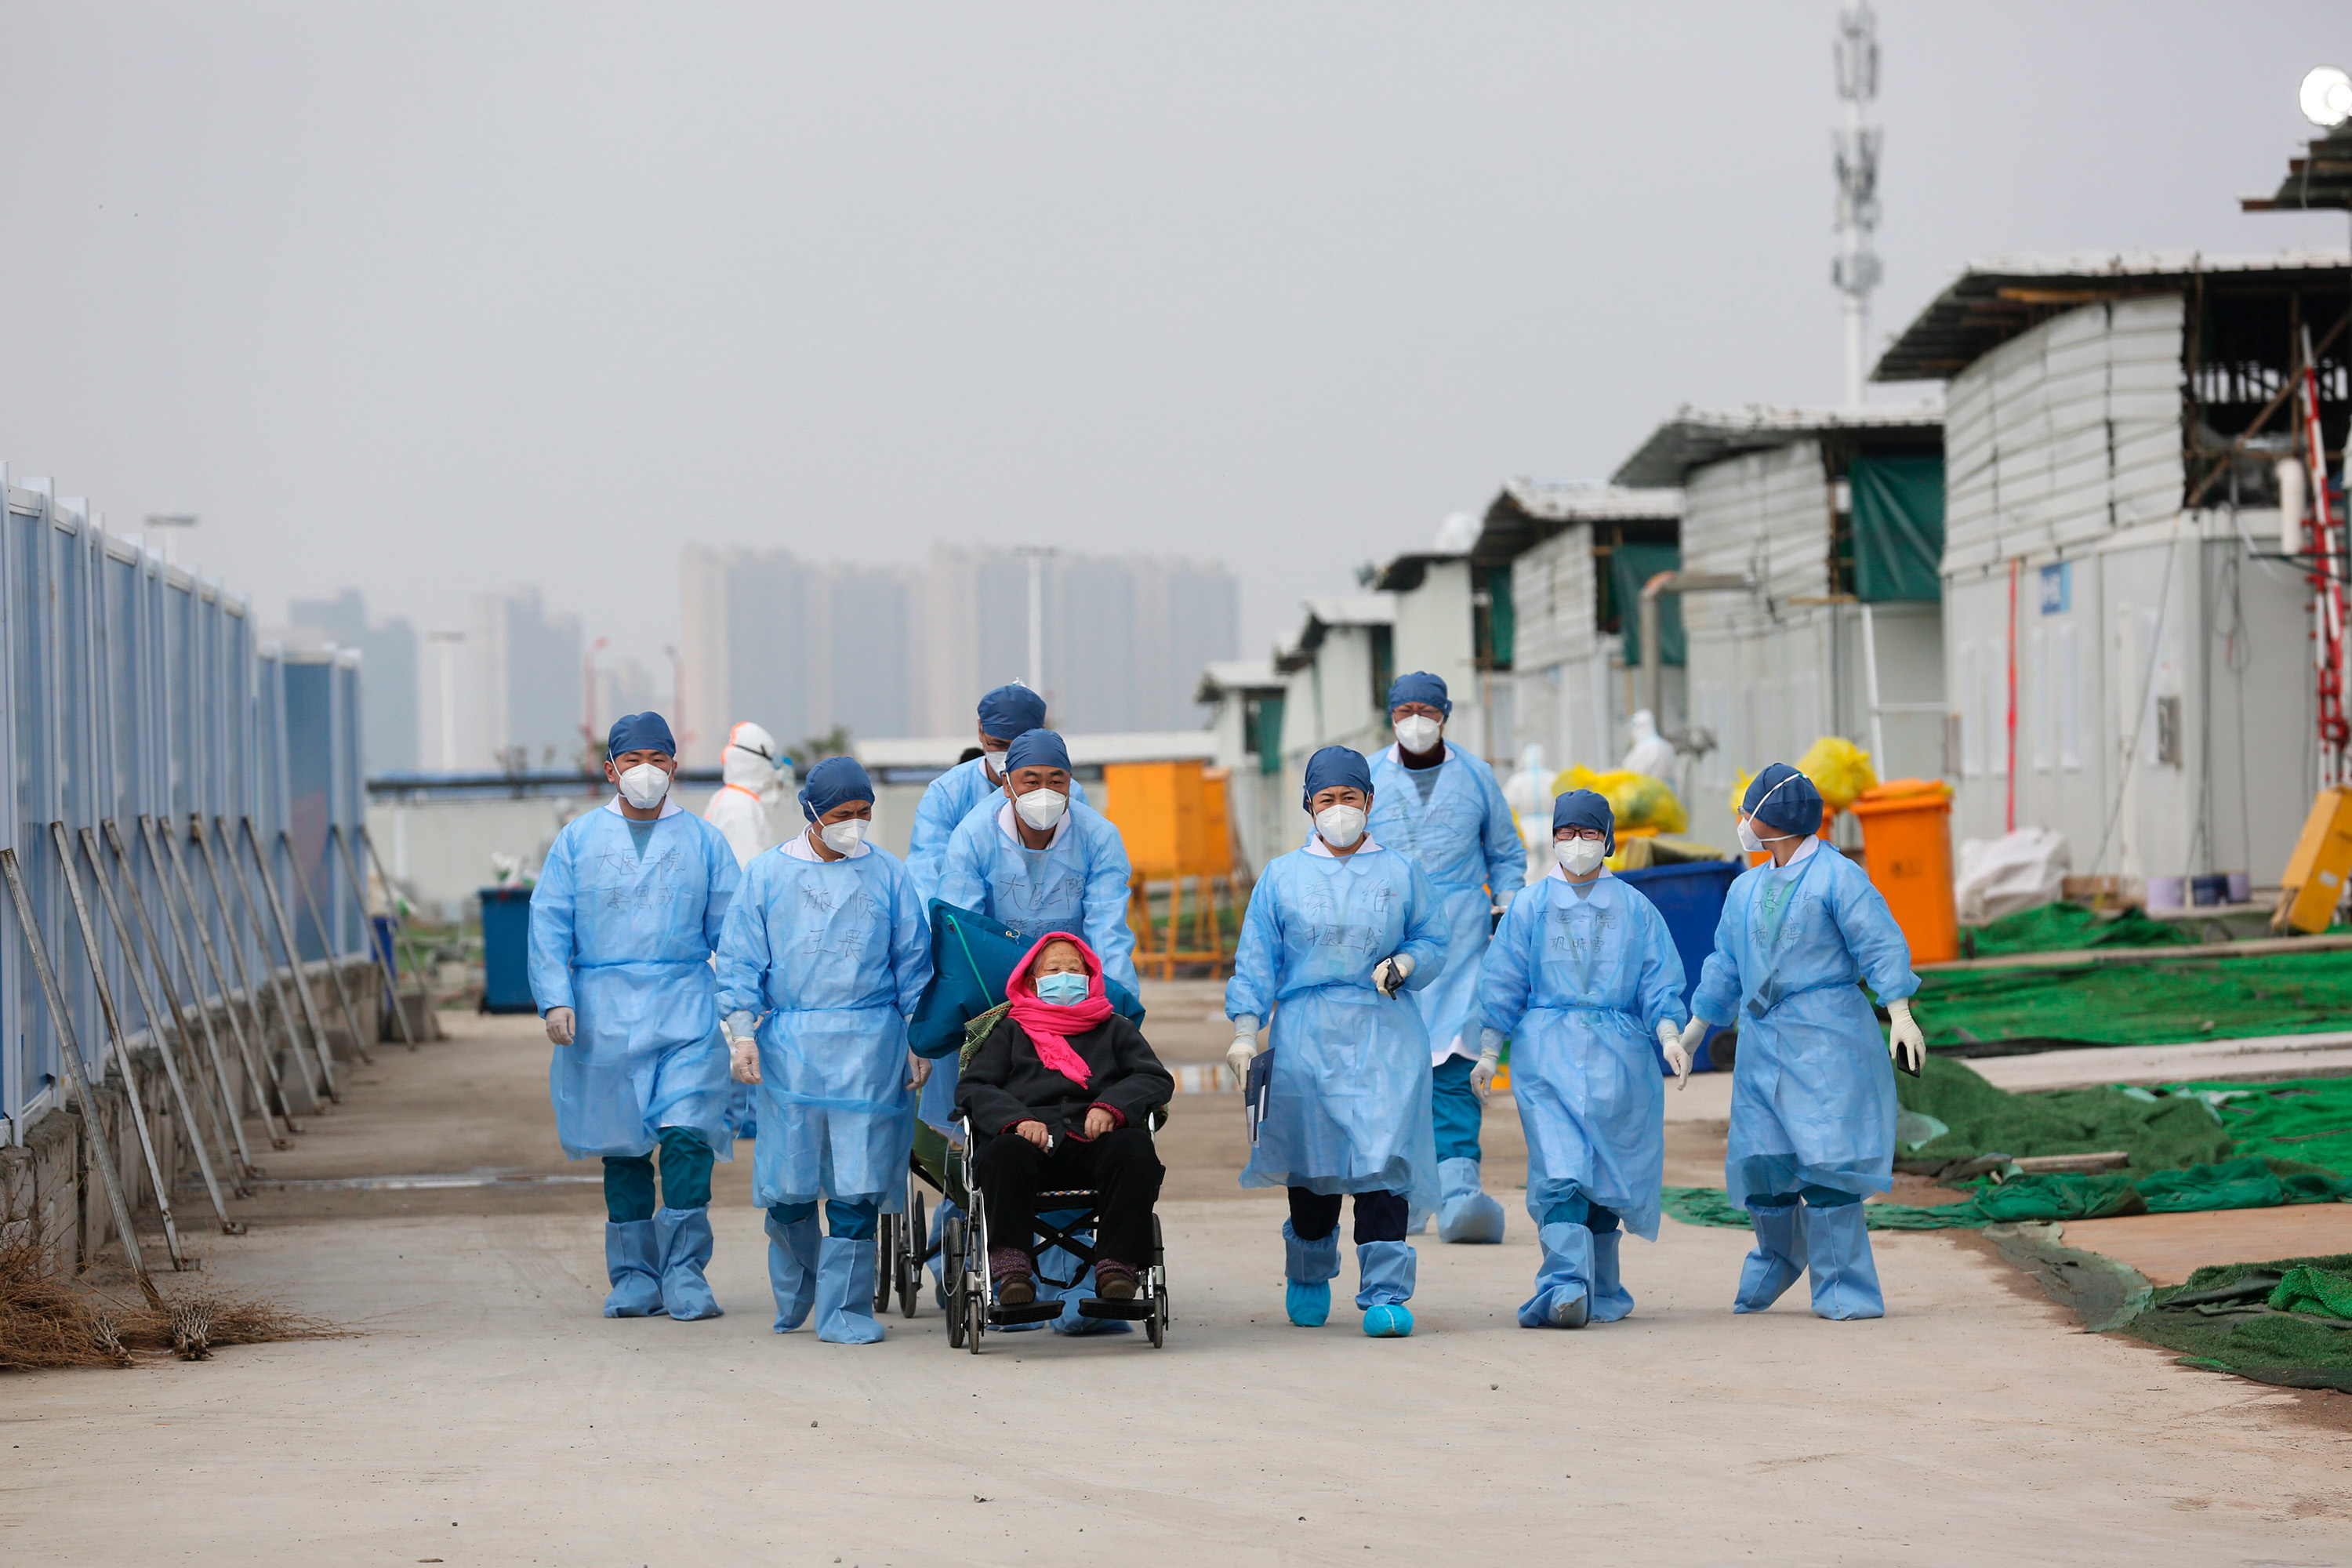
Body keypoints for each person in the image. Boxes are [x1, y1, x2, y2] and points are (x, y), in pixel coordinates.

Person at [1679, 763, 1926, 1321]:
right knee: (1762, 1157)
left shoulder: (1839, 879)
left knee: (1829, 1160)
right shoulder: (1745, 888)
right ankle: (1776, 1257)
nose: (1742, 822)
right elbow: (1725, 964)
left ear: (1774, 818)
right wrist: (1697, 1029)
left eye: (1749, 812)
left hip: (1826, 1035)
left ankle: (1846, 1286)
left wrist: (1901, 1012)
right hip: (1762, 1039)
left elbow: (1879, 944)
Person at [1225, 746, 1446, 1338]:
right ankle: (1309, 1270)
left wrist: (1406, 961)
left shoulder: (1400, 872)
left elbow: (1434, 939)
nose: (1340, 810)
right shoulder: (1281, 877)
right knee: (1313, 1167)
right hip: (1306, 1034)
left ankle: (1385, 1293)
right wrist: (1246, 1031)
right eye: (1328, 800)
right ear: (1309, 806)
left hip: (1385, 1032)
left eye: (1351, 798)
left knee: (1383, 1161)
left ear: (1370, 802)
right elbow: (1255, 963)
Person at [530, 712, 741, 1321]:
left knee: (685, 1137)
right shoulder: (578, 841)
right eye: (633, 760)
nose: (646, 771)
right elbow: (549, 922)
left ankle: (683, 1272)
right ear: (610, 769)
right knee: (621, 1149)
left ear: (675, 766)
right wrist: (556, 996)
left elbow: (734, 934)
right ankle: (633, 1277)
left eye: (658, 759)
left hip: (684, 1007)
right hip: (603, 1012)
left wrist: (743, 1012)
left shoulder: (705, 842)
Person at [714, 755, 932, 1345]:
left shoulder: (889, 875)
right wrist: (742, 1034)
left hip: (872, 1045)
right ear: (811, 812)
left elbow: (913, 966)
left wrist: (920, 1038)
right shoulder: (765, 877)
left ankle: (846, 1310)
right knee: (788, 1186)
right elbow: (739, 964)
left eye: (864, 813)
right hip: (792, 1047)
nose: (854, 824)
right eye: (842, 814)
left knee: (858, 1182)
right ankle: (799, 1292)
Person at [1476, 789, 1690, 1329]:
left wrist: (1669, 1035)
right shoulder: (1530, 906)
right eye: (1567, 833)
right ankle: (1567, 1283)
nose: (1576, 843)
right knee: (1562, 1168)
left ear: (1608, 839)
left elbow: (1658, 979)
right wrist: (1486, 1050)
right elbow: (1503, 982)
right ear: (1553, 839)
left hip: (1621, 1060)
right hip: (1546, 1056)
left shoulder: (1635, 908)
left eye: (1589, 832)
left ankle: (1604, 1285)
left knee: (1608, 1173)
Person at [1366, 671, 1523, 1245]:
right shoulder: (1369, 777)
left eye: (1425, 710)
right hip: (1392, 944)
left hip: (1461, 945)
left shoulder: (1476, 777)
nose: (1415, 720)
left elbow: (1505, 852)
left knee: (1456, 1068)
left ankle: (1460, 1190)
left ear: (1444, 715)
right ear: (1391, 716)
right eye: (1404, 709)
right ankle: (1403, 1191)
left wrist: (1507, 907)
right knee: (1398, 1076)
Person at [956, 933, 1171, 1308]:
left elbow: (1153, 1078)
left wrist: (1110, 1106)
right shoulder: (1007, 1030)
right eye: (1053, 969)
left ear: (1090, 978)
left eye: (1075, 969)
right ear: (1032, 980)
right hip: (1029, 1146)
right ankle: (1012, 1270)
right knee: (1002, 1153)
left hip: (1094, 1144)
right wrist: (1017, 1120)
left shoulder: (1115, 1028)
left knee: (1135, 1148)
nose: (1065, 976)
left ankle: (1117, 1267)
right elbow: (973, 1087)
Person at [903, 684, 1091, 902]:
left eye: (1020, 746)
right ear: (981, 730)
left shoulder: (1070, 795)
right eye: (999, 745)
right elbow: (927, 872)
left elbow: (1088, 873)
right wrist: (942, 930)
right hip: (973, 927)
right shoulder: (947, 793)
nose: (1009, 757)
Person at [704, 720, 786, 1142]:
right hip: (740, 935)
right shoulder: (741, 808)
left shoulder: (731, 800)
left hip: (731, 934)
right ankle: (741, 1116)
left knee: (736, 1021)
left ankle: (738, 1113)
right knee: (741, 1021)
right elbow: (754, 881)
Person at [703, 720, 785, 868]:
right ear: (756, 761)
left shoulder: (728, 797)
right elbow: (749, 869)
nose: (776, 768)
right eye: (773, 760)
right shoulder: (741, 806)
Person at [1620, 709, 1678, 783]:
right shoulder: (1666, 746)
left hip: (1648, 793)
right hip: (1666, 793)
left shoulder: (1643, 749)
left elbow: (1628, 774)